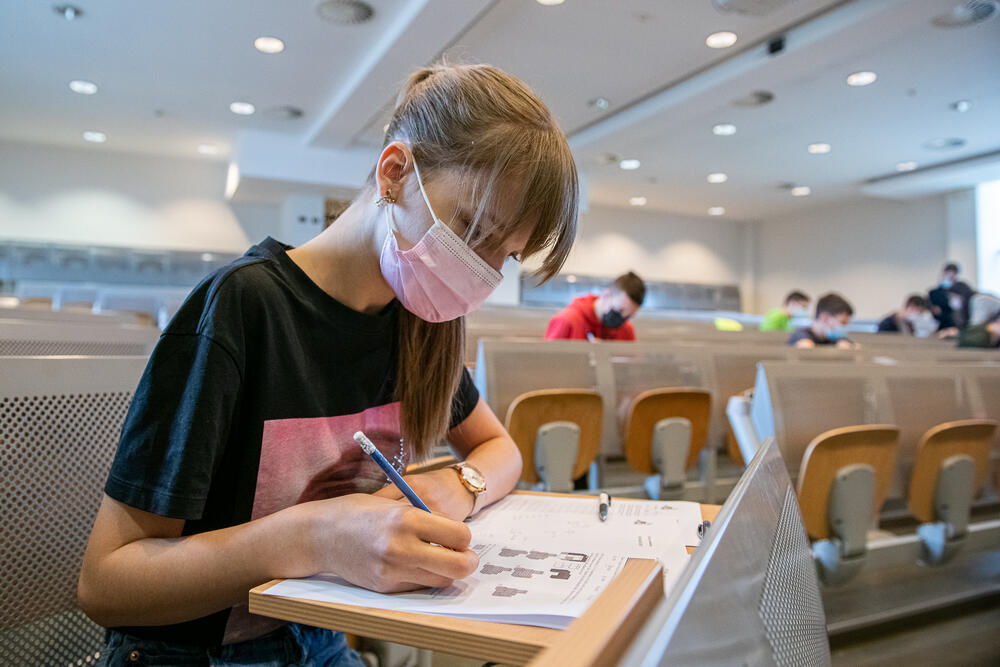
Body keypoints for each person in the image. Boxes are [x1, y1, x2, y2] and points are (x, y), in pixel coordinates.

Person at [77, 64, 578, 665]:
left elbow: (501, 450)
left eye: (506, 256)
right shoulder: (244, 307)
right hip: (196, 652)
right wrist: (314, 536)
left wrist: (455, 486)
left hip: (319, 635)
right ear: (395, 173)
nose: (482, 272)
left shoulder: (419, 321)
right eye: (473, 231)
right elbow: (108, 583)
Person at [544, 271, 646, 341]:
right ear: (606, 295)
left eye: (628, 316)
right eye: (619, 310)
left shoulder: (626, 330)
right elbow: (548, 363)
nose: (621, 319)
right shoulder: (566, 321)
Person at [788, 292, 857, 349]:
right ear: (825, 318)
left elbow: (854, 347)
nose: (846, 327)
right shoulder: (800, 336)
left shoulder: (836, 338)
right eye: (843, 322)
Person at [928, 262, 975, 330]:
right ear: (943, 274)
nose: (950, 277)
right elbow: (935, 311)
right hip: (945, 326)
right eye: (947, 274)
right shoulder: (935, 293)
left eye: (953, 275)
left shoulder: (963, 288)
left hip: (962, 324)